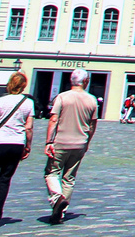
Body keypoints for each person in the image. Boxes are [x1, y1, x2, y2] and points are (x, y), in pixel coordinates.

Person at [43, 69, 99, 224]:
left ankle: (57, 199)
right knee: (69, 178)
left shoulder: (62, 97)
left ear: (71, 80)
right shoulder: (92, 100)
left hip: (60, 142)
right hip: (79, 143)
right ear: (86, 81)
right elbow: (92, 125)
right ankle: (60, 213)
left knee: (51, 173)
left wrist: (49, 141)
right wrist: (87, 142)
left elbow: (53, 119)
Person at [0, 72, 33, 230]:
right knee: (4, 179)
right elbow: (29, 128)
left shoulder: (0, 101)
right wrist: (28, 146)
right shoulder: (28, 103)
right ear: (23, 85)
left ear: (10, 84)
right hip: (16, 144)